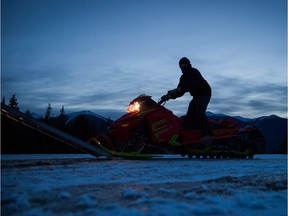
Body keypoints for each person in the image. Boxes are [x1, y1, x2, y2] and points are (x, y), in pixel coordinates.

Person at [162, 57, 214, 138]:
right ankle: (191, 134)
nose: (183, 66)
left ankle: (209, 134)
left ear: (188, 64)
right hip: (196, 96)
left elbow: (191, 85)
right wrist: (169, 96)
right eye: (181, 65)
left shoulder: (194, 72)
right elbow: (180, 91)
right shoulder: (183, 77)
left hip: (205, 93)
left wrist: (177, 90)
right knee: (189, 115)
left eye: (184, 64)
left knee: (199, 113)